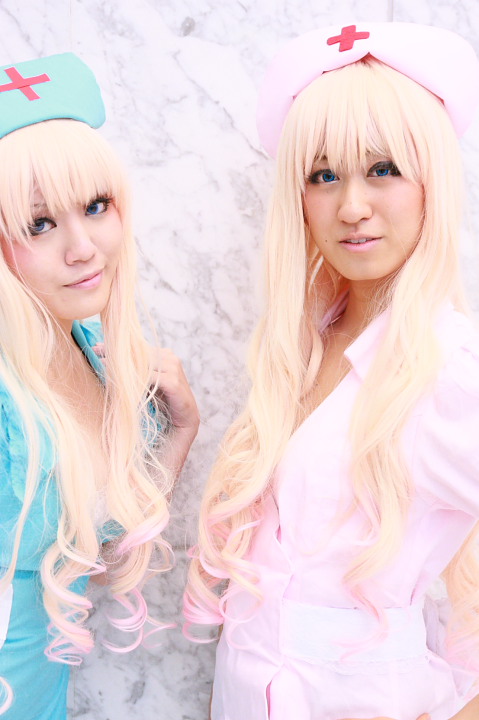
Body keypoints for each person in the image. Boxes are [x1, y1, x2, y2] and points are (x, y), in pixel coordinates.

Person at [184, 21, 479, 720]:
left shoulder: (449, 368)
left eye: (383, 169)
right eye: (323, 175)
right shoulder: (303, 343)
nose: (351, 207)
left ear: (431, 183)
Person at [0, 52, 199, 719]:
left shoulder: (89, 346)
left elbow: (103, 552)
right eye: (38, 224)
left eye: (94, 206)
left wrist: (179, 433)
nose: (83, 247)